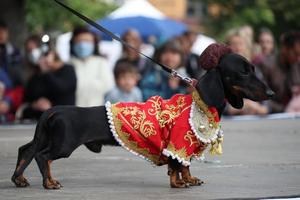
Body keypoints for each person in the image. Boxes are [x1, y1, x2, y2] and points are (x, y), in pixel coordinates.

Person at [21, 51, 76, 120]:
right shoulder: (36, 77)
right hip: (38, 120)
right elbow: (26, 100)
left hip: (63, 119)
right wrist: (35, 105)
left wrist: (46, 71)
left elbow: (62, 89)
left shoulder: (67, 70)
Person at [69, 26, 114, 107]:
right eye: (79, 41)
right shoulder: (69, 64)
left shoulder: (101, 62)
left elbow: (108, 85)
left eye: (87, 41)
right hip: (73, 110)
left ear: (94, 43)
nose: (82, 45)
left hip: (96, 109)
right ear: (73, 43)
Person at [0, 20, 24, 122]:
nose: (0, 35)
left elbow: (18, 81)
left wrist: (8, 100)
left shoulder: (14, 53)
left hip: (10, 99)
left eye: (3, 31)